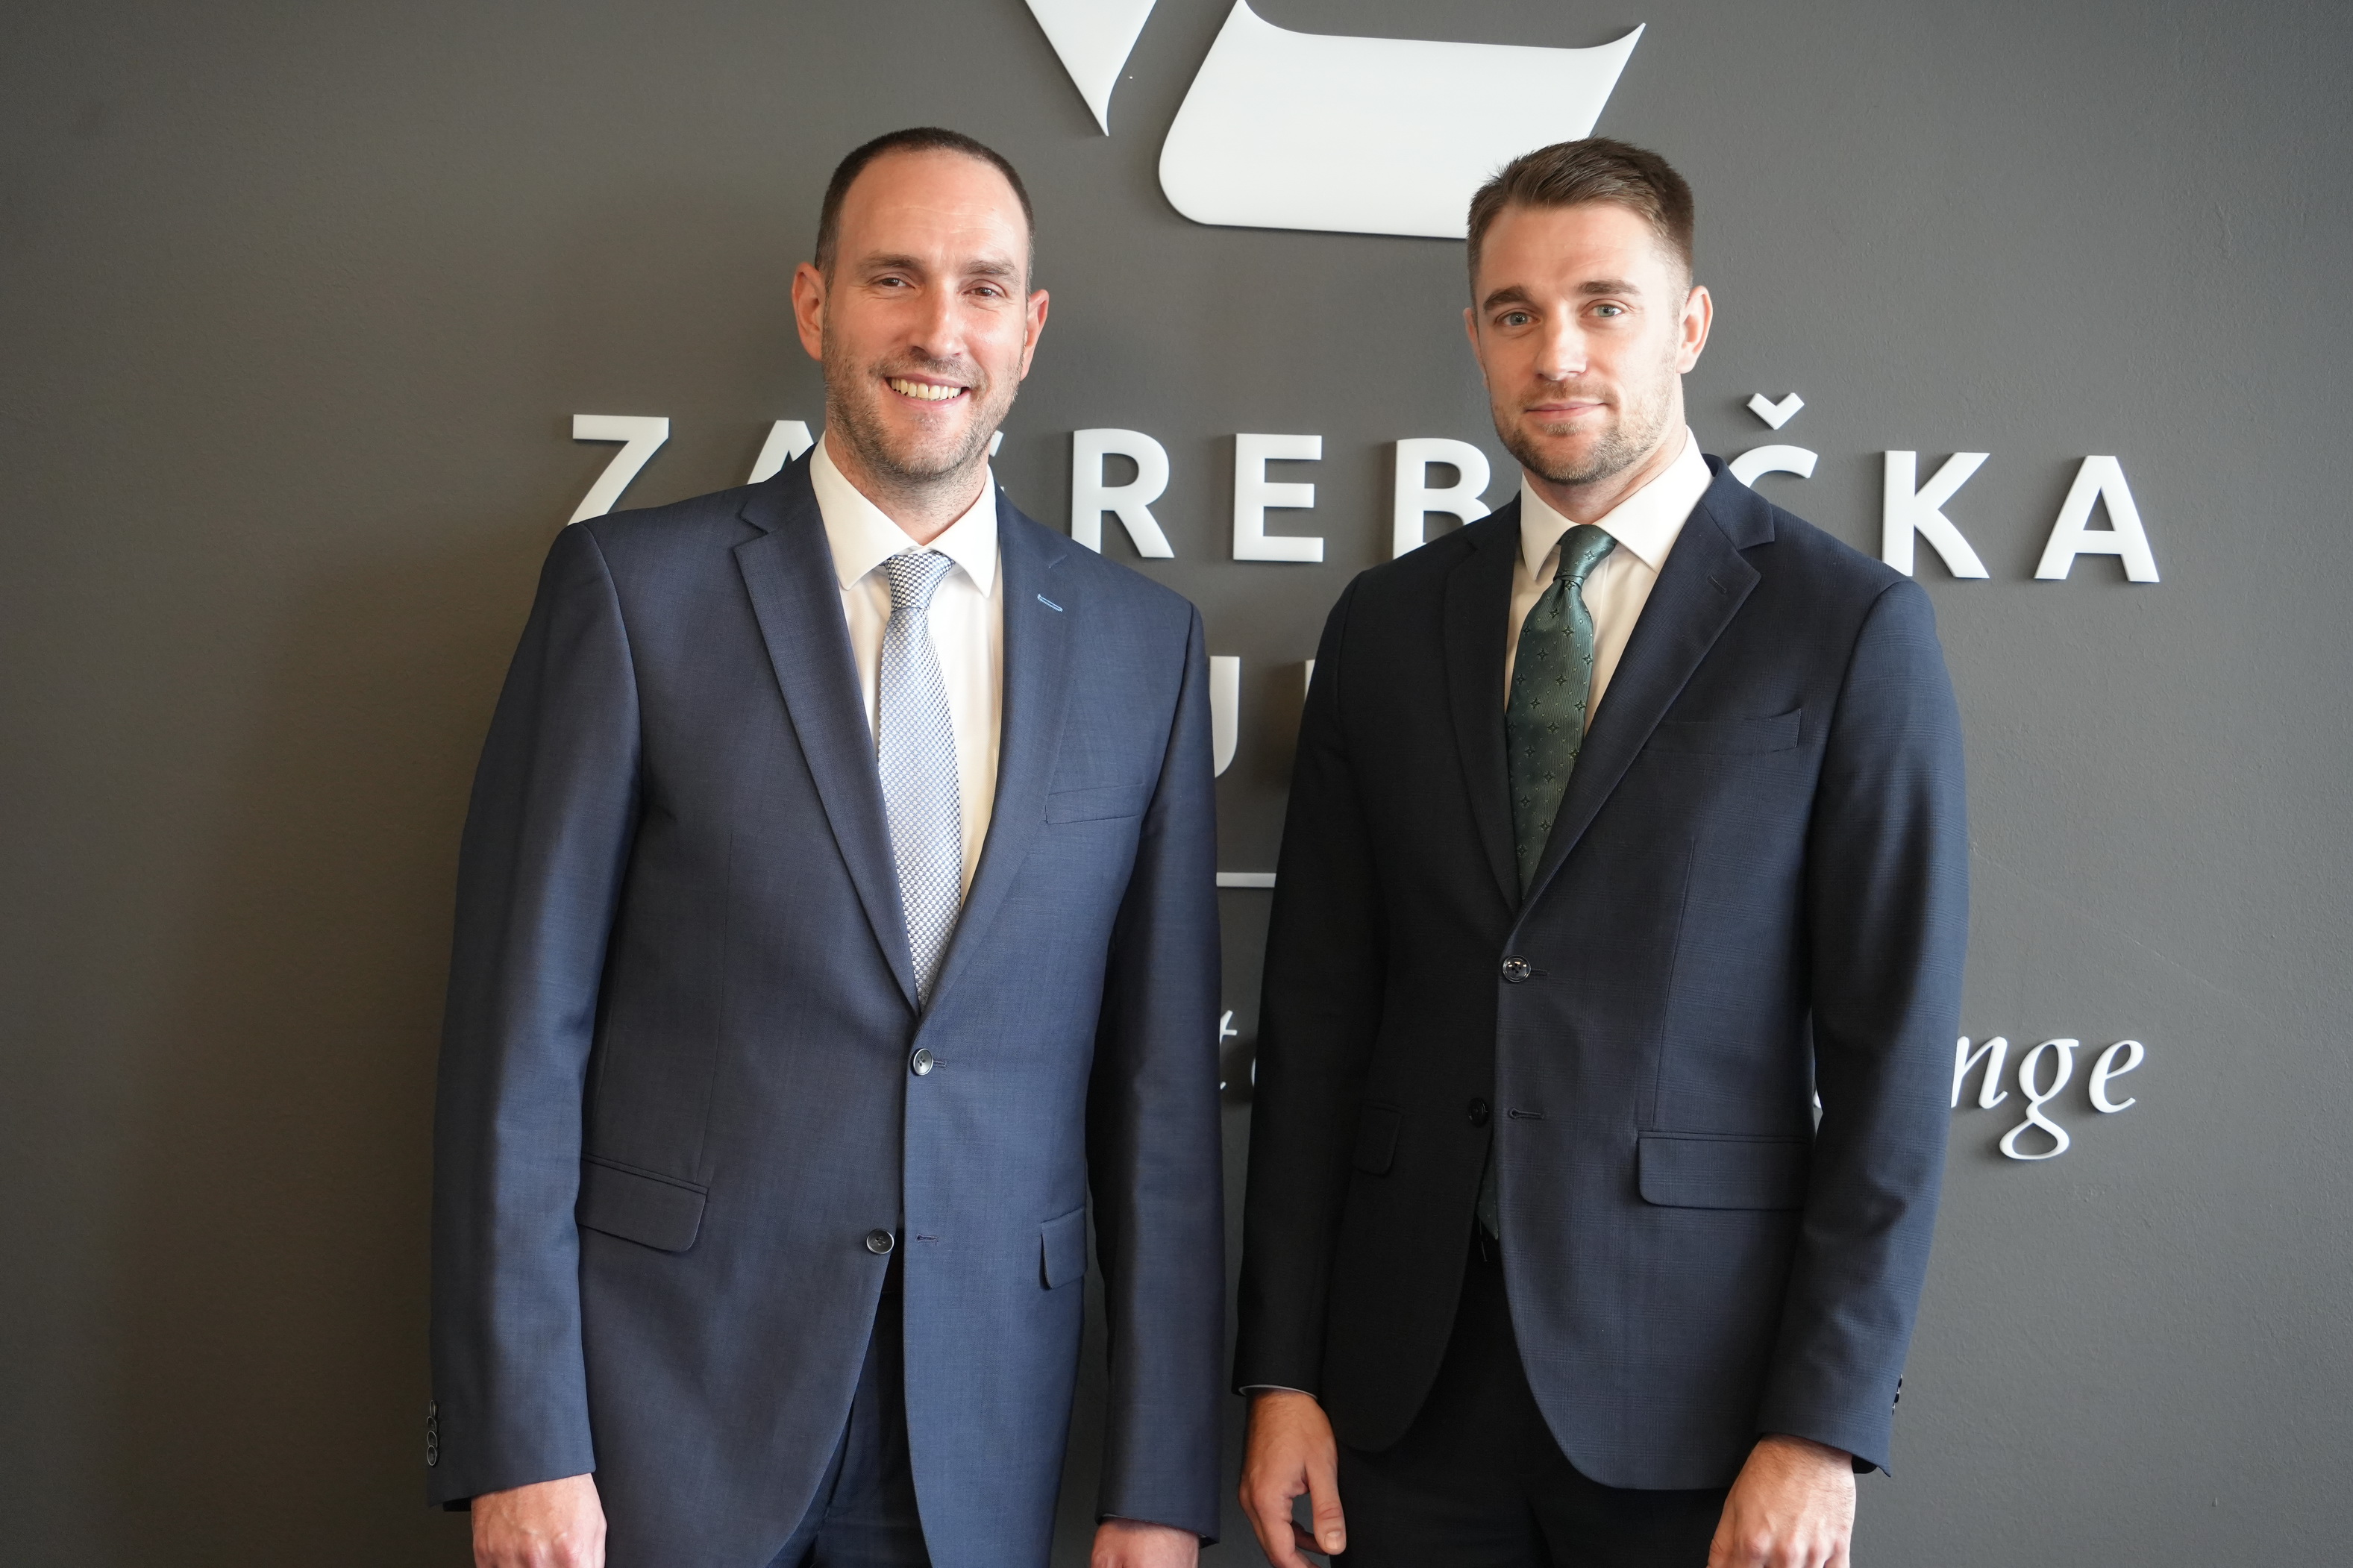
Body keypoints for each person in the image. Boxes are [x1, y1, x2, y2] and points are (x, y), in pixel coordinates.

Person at [428, 127, 1223, 1568]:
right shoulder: (634, 594)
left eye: (983, 287)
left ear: (1030, 329)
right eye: (892, 278)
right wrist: (523, 1436)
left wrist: (1161, 1483)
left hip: (982, 1432)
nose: (940, 330)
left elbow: (1160, 1101)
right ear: (814, 304)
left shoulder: (1140, 647)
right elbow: (516, 1048)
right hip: (662, 1411)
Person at [1234, 138, 1969, 1568]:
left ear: (1687, 324)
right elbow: (1317, 1024)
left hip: (1702, 1408)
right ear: (1474, 335)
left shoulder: (1844, 626)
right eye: (1514, 312)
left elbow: (1890, 1061)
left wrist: (1820, 1426)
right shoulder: (1386, 624)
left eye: (1603, 306)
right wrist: (1282, 1373)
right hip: (1401, 1395)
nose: (1555, 351)